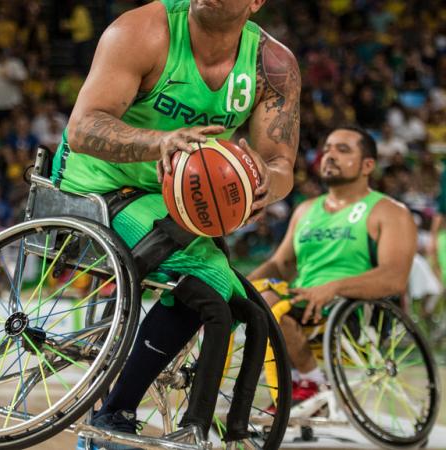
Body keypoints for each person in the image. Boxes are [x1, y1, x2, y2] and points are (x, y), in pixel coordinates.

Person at [53, 1, 300, 448]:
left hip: (177, 203)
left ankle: (221, 430)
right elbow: (82, 127)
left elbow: (281, 163)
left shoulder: (273, 65)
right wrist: (160, 141)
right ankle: (116, 415)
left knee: (243, 305)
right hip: (96, 184)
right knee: (207, 290)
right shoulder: (141, 31)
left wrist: (265, 184)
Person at [249, 127, 416, 409]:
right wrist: (239, 286)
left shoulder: (389, 211)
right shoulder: (306, 210)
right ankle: (295, 384)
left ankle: (312, 383)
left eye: (343, 150)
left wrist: (333, 288)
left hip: (353, 310)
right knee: (253, 297)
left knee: (270, 302)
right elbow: (281, 264)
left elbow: (395, 278)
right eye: (327, 149)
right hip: (302, 304)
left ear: (368, 166)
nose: (329, 156)